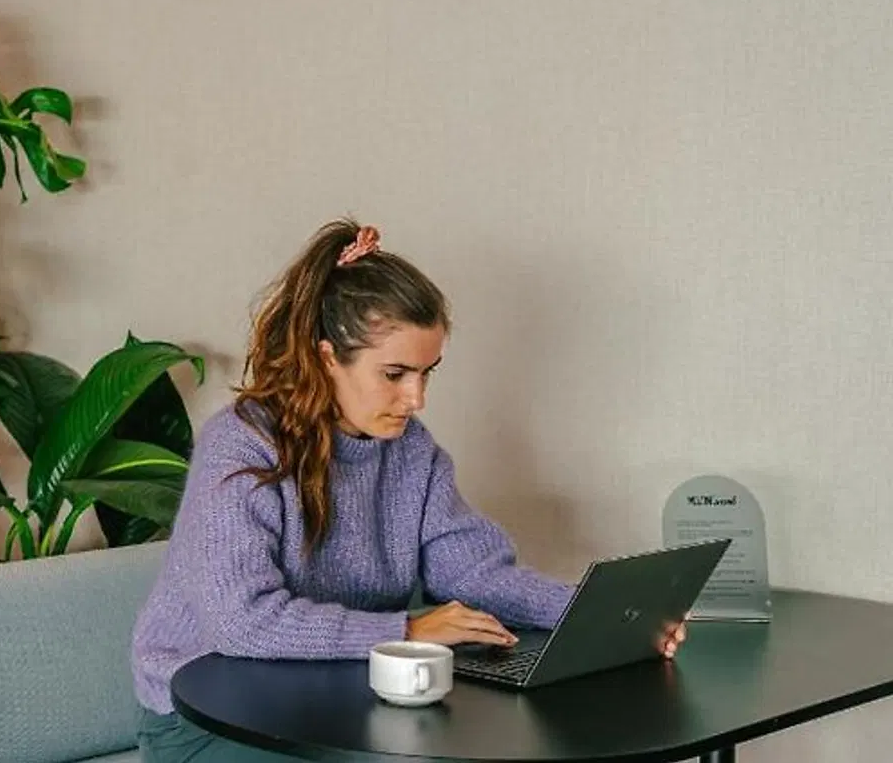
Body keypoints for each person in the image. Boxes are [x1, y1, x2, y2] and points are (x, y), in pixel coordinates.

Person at [129, 219, 689, 762]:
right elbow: (241, 622)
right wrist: (408, 630)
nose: (416, 399)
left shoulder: (410, 451)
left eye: (428, 372)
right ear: (328, 358)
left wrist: (592, 615)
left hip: (335, 700)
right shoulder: (242, 446)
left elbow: (473, 572)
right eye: (395, 375)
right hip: (204, 721)